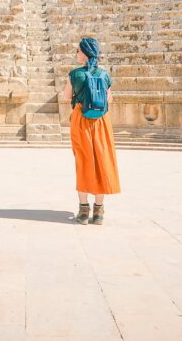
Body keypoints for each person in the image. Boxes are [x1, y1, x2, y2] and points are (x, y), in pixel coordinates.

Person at [63, 36, 120, 225]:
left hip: (81, 120)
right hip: (102, 122)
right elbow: (109, 100)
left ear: (85, 53)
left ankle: (83, 210)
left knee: (84, 161)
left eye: (78, 50)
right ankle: (99, 212)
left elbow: (66, 97)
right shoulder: (104, 75)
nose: (76, 54)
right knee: (102, 161)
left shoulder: (75, 74)